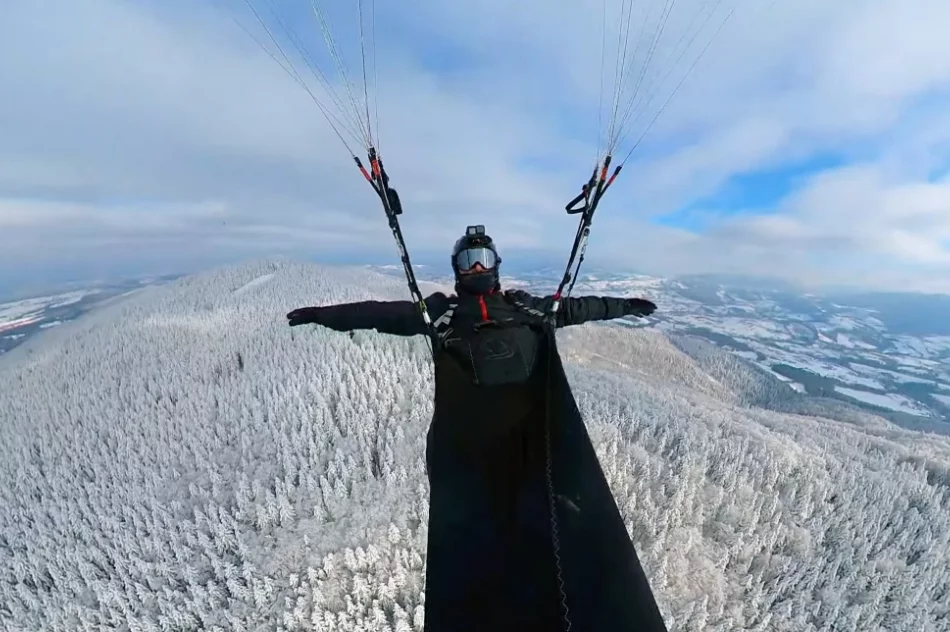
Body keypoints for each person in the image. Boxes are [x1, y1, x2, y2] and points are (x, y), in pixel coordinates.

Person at [286, 226, 667, 632]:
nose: (478, 266)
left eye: (483, 258)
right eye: (469, 261)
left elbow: (580, 308)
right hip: (469, 439)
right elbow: (378, 313)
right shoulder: (441, 312)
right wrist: (323, 316)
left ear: (497, 265)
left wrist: (624, 305)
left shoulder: (527, 308)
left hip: (527, 435)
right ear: (457, 271)